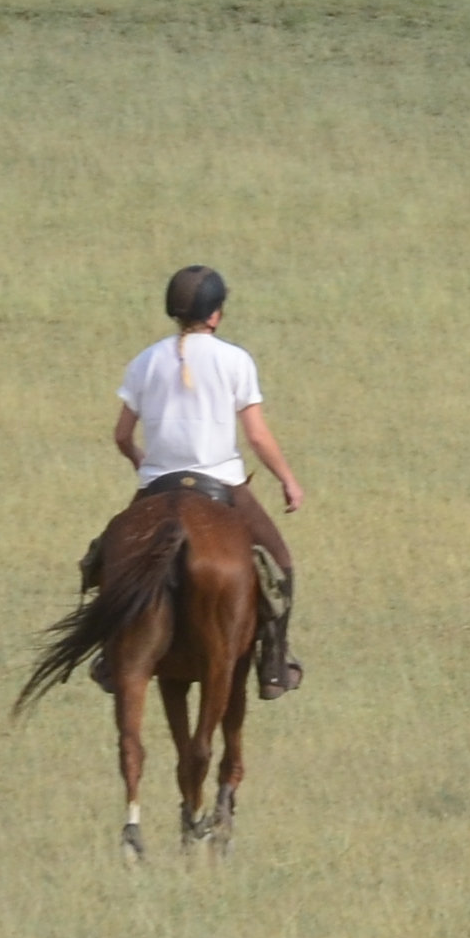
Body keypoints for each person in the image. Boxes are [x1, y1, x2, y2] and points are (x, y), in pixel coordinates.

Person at [107, 263, 307, 696]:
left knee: (103, 560)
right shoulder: (235, 360)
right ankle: (274, 661)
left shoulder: (144, 361)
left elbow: (122, 435)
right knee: (282, 564)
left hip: (158, 485)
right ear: (214, 314)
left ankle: (110, 654)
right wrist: (288, 480)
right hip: (222, 487)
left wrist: (142, 461)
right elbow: (256, 435)